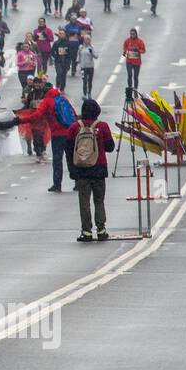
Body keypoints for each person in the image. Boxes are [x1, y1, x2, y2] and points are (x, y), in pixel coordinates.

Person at [66, 98, 114, 242]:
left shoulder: (75, 127)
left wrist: (72, 169)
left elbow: (68, 149)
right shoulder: (103, 126)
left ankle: (86, 231)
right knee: (99, 200)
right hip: (99, 168)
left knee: (84, 201)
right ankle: (101, 229)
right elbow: (110, 147)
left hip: (81, 169)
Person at [78, 33, 98, 101]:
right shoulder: (81, 47)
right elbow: (79, 55)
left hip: (90, 67)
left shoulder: (92, 47)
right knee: (84, 81)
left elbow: (96, 56)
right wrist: (78, 61)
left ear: (90, 40)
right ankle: (84, 94)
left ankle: (89, 93)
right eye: (85, 39)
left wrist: (92, 52)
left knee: (89, 81)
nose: (86, 41)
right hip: (83, 67)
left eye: (88, 39)